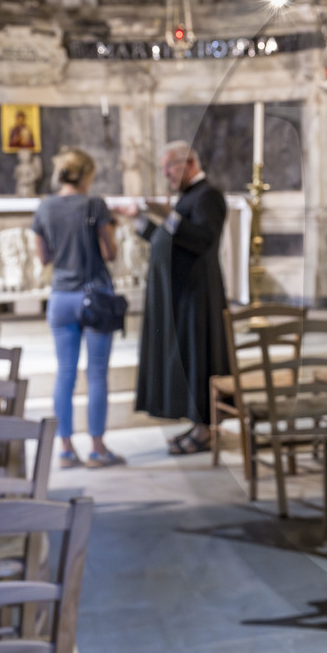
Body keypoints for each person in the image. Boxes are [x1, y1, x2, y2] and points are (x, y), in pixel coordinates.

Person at [116, 141, 229, 455]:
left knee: (200, 358)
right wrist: (137, 219)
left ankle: (206, 429)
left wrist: (170, 217)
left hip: (199, 294)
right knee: (188, 360)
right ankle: (197, 425)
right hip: (182, 296)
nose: (165, 173)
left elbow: (203, 240)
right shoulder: (187, 199)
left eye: (170, 166)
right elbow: (164, 240)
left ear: (189, 163)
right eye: (164, 168)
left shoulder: (209, 196)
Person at [31, 147, 124, 468]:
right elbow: (110, 252)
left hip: (60, 297)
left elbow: (44, 257)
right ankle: (98, 448)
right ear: (86, 175)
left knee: (65, 374)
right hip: (94, 294)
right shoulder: (94, 204)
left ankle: (66, 450)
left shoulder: (44, 208)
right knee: (97, 374)